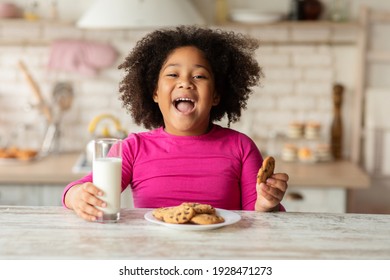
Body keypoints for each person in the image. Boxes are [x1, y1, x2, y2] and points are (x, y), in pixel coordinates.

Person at [62, 25, 289, 222]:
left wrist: (267, 202)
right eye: (172, 75)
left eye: (199, 76)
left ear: (216, 95)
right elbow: (77, 190)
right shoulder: (132, 148)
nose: (185, 83)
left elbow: (259, 219)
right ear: (155, 93)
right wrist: (78, 197)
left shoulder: (241, 147)